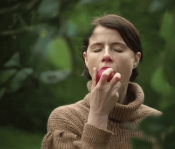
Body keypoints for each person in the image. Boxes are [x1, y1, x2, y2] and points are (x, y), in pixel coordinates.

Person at [42, 14, 162, 149]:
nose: (106, 55)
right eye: (97, 49)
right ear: (86, 59)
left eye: (118, 49)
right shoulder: (66, 119)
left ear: (135, 59)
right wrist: (98, 115)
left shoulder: (157, 123)